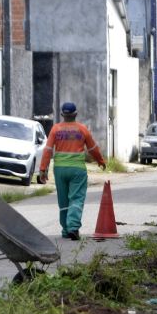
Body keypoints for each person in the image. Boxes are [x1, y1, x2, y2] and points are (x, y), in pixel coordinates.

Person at [39, 102, 106, 240]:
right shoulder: (82, 129)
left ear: (62, 114)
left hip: (60, 170)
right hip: (77, 170)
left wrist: (43, 169)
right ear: (75, 114)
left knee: (63, 201)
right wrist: (100, 161)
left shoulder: (55, 129)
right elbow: (93, 148)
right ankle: (73, 227)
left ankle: (65, 229)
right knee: (76, 198)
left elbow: (48, 150)